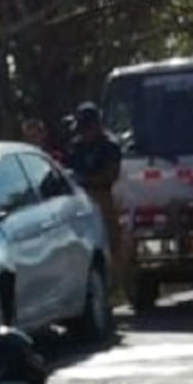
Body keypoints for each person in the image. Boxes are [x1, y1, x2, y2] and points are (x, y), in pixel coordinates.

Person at [65, 102, 124, 281]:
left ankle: (112, 282)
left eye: (88, 127)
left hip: (101, 198)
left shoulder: (109, 146)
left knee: (109, 241)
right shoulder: (76, 146)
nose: (84, 133)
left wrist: (84, 180)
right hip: (78, 200)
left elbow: (110, 176)